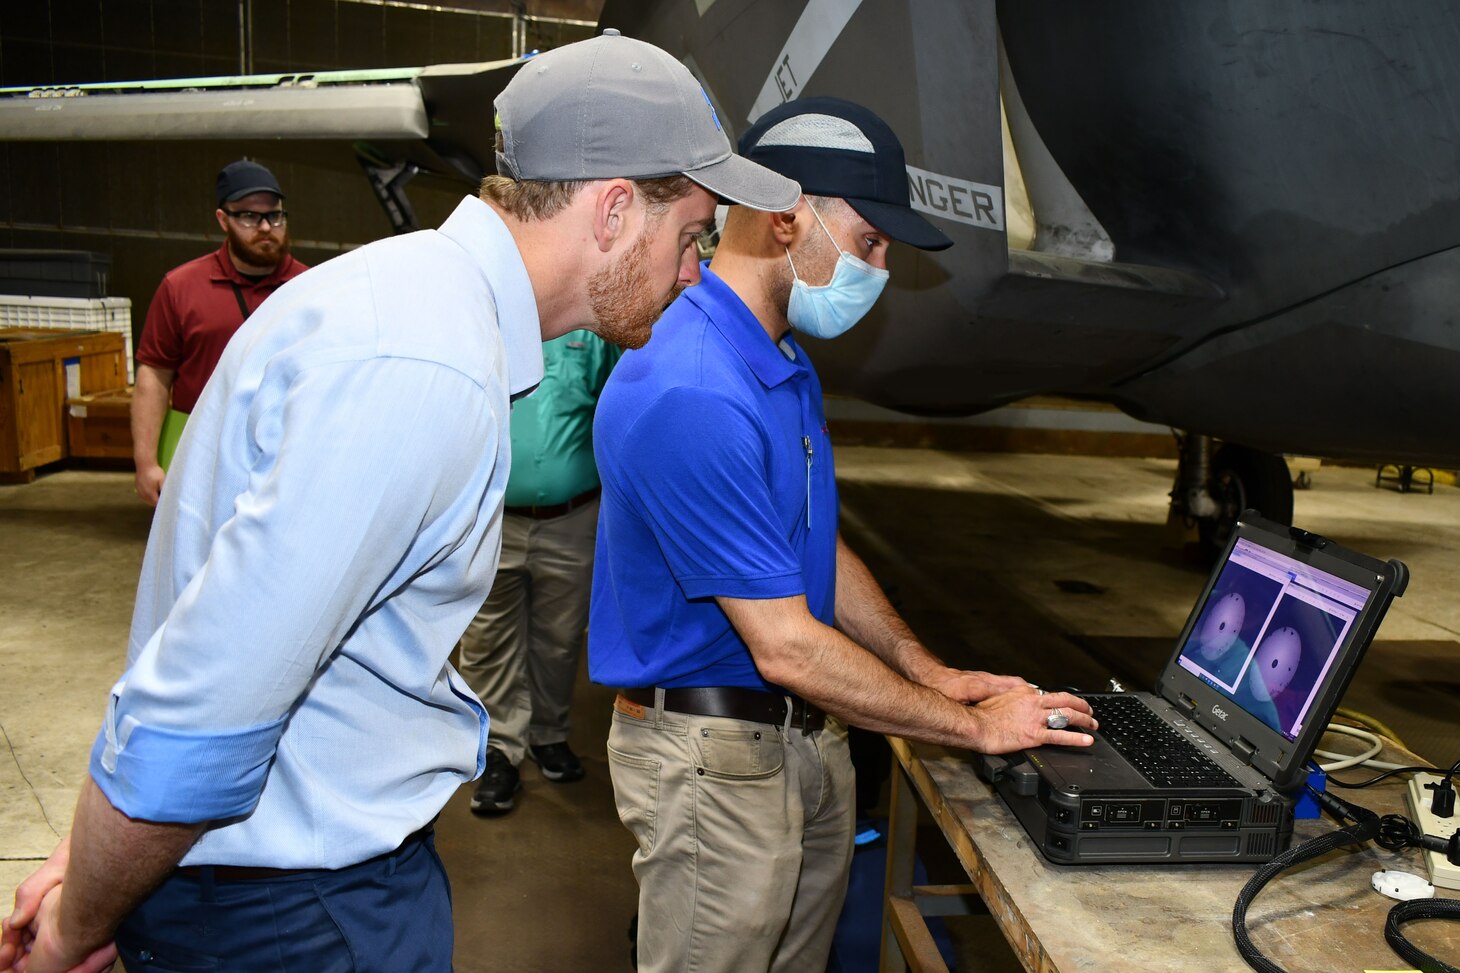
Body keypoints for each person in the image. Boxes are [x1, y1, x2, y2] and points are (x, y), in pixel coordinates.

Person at [0, 29, 798, 973]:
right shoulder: (423, 366)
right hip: (297, 916)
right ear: (617, 210)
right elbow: (204, 714)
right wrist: (77, 924)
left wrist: (91, 865)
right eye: (692, 231)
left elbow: (217, 624)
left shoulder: (403, 304)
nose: (694, 268)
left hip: (266, 885)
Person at [588, 96, 1098, 973]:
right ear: (790, 219)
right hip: (716, 761)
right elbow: (785, 644)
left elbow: (813, 542)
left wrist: (924, 668)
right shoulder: (695, 387)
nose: (882, 266)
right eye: (869, 241)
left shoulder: (780, 361)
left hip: (799, 742)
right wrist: (970, 728)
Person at [460, 328, 621, 814]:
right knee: (488, 637)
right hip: (493, 519)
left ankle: (549, 733)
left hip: (572, 520)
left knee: (560, 636)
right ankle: (499, 750)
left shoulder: (594, 335)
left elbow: (616, 411)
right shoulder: (488, 327)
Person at [130, 159, 308, 506]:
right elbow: (154, 374)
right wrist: (145, 461)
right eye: (248, 217)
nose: (266, 227)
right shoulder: (181, 286)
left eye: (275, 215)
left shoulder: (310, 286)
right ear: (222, 220)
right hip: (195, 446)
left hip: (281, 447)